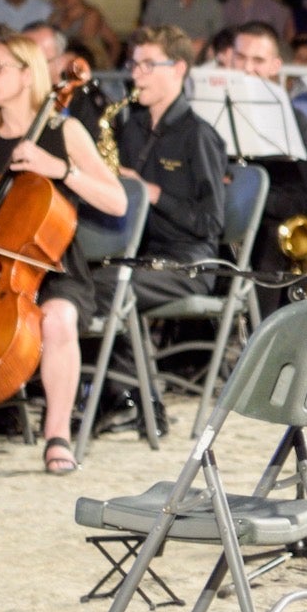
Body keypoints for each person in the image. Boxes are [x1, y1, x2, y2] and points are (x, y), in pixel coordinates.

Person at [0, 33, 126, 474]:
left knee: (58, 318)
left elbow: (117, 202)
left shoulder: (63, 130)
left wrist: (60, 170)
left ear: (27, 75)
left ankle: (57, 435)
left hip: (54, 269)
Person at [93, 26, 228, 429]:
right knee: (86, 279)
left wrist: (151, 192)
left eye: (149, 64)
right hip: (142, 255)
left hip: (191, 262)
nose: (137, 74)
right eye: (135, 64)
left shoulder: (199, 136)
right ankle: (117, 395)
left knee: (110, 286)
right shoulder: (130, 127)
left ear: (179, 69)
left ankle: (137, 398)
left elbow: (210, 223)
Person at [231, 22, 307, 315]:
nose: (247, 68)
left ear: (275, 66)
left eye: (257, 61)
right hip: (219, 210)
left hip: (267, 217)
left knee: (270, 237)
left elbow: (297, 199)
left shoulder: (293, 118)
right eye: (240, 58)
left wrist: (248, 197)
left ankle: (264, 338)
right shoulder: (211, 107)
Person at [48, 0, 119, 67]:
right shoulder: (57, 15)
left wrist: (108, 68)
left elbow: (82, 48)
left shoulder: (91, 14)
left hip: (87, 68)